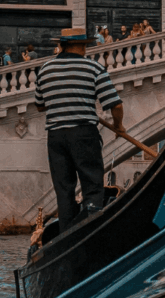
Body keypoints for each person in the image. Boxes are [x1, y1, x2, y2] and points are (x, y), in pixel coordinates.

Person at [34, 28, 125, 233]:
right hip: (83, 133)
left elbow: (40, 105)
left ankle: (67, 234)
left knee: (64, 189)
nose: (86, 50)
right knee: (92, 184)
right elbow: (115, 105)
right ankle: (92, 230)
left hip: (56, 137)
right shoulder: (93, 68)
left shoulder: (45, 69)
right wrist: (119, 126)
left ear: (63, 45)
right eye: (85, 46)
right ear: (80, 46)